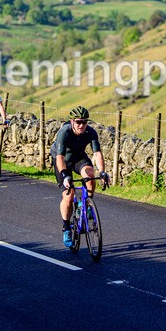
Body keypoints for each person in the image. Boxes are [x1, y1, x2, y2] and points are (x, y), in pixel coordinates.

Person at [52, 106, 110, 247]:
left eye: (84, 122)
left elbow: (97, 153)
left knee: (90, 175)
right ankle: (66, 227)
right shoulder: (64, 132)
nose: (81, 125)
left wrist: (102, 172)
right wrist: (65, 175)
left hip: (79, 158)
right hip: (63, 161)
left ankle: (87, 204)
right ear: (72, 121)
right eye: (78, 122)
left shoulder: (90, 132)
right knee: (69, 195)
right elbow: (59, 157)